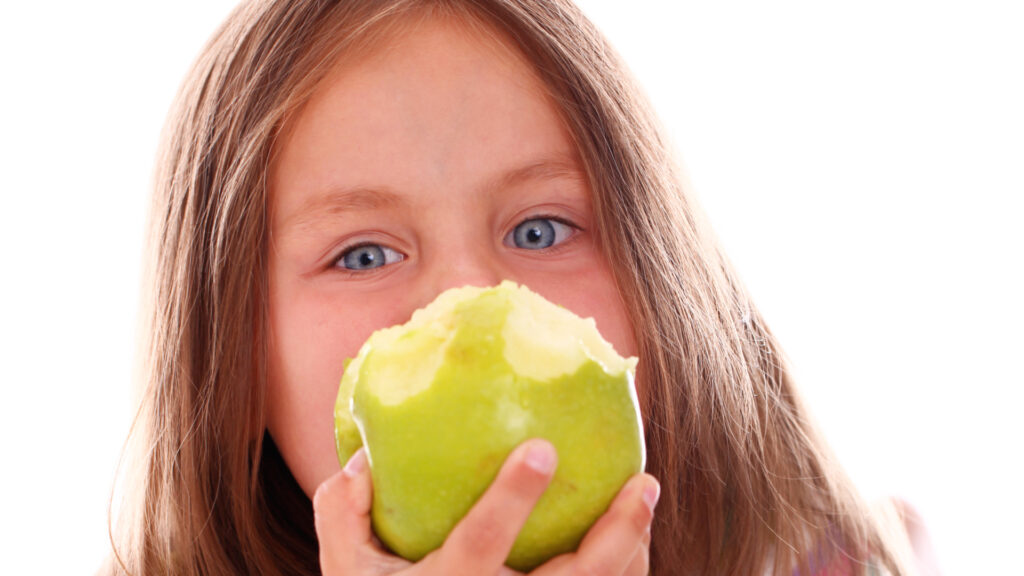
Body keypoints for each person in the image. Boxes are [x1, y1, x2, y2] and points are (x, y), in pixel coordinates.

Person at [105, 0, 923, 574]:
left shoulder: (822, 561)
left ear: (662, 285)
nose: (473, 298)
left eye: (540, 230)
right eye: (362, 255)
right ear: (231, 363)